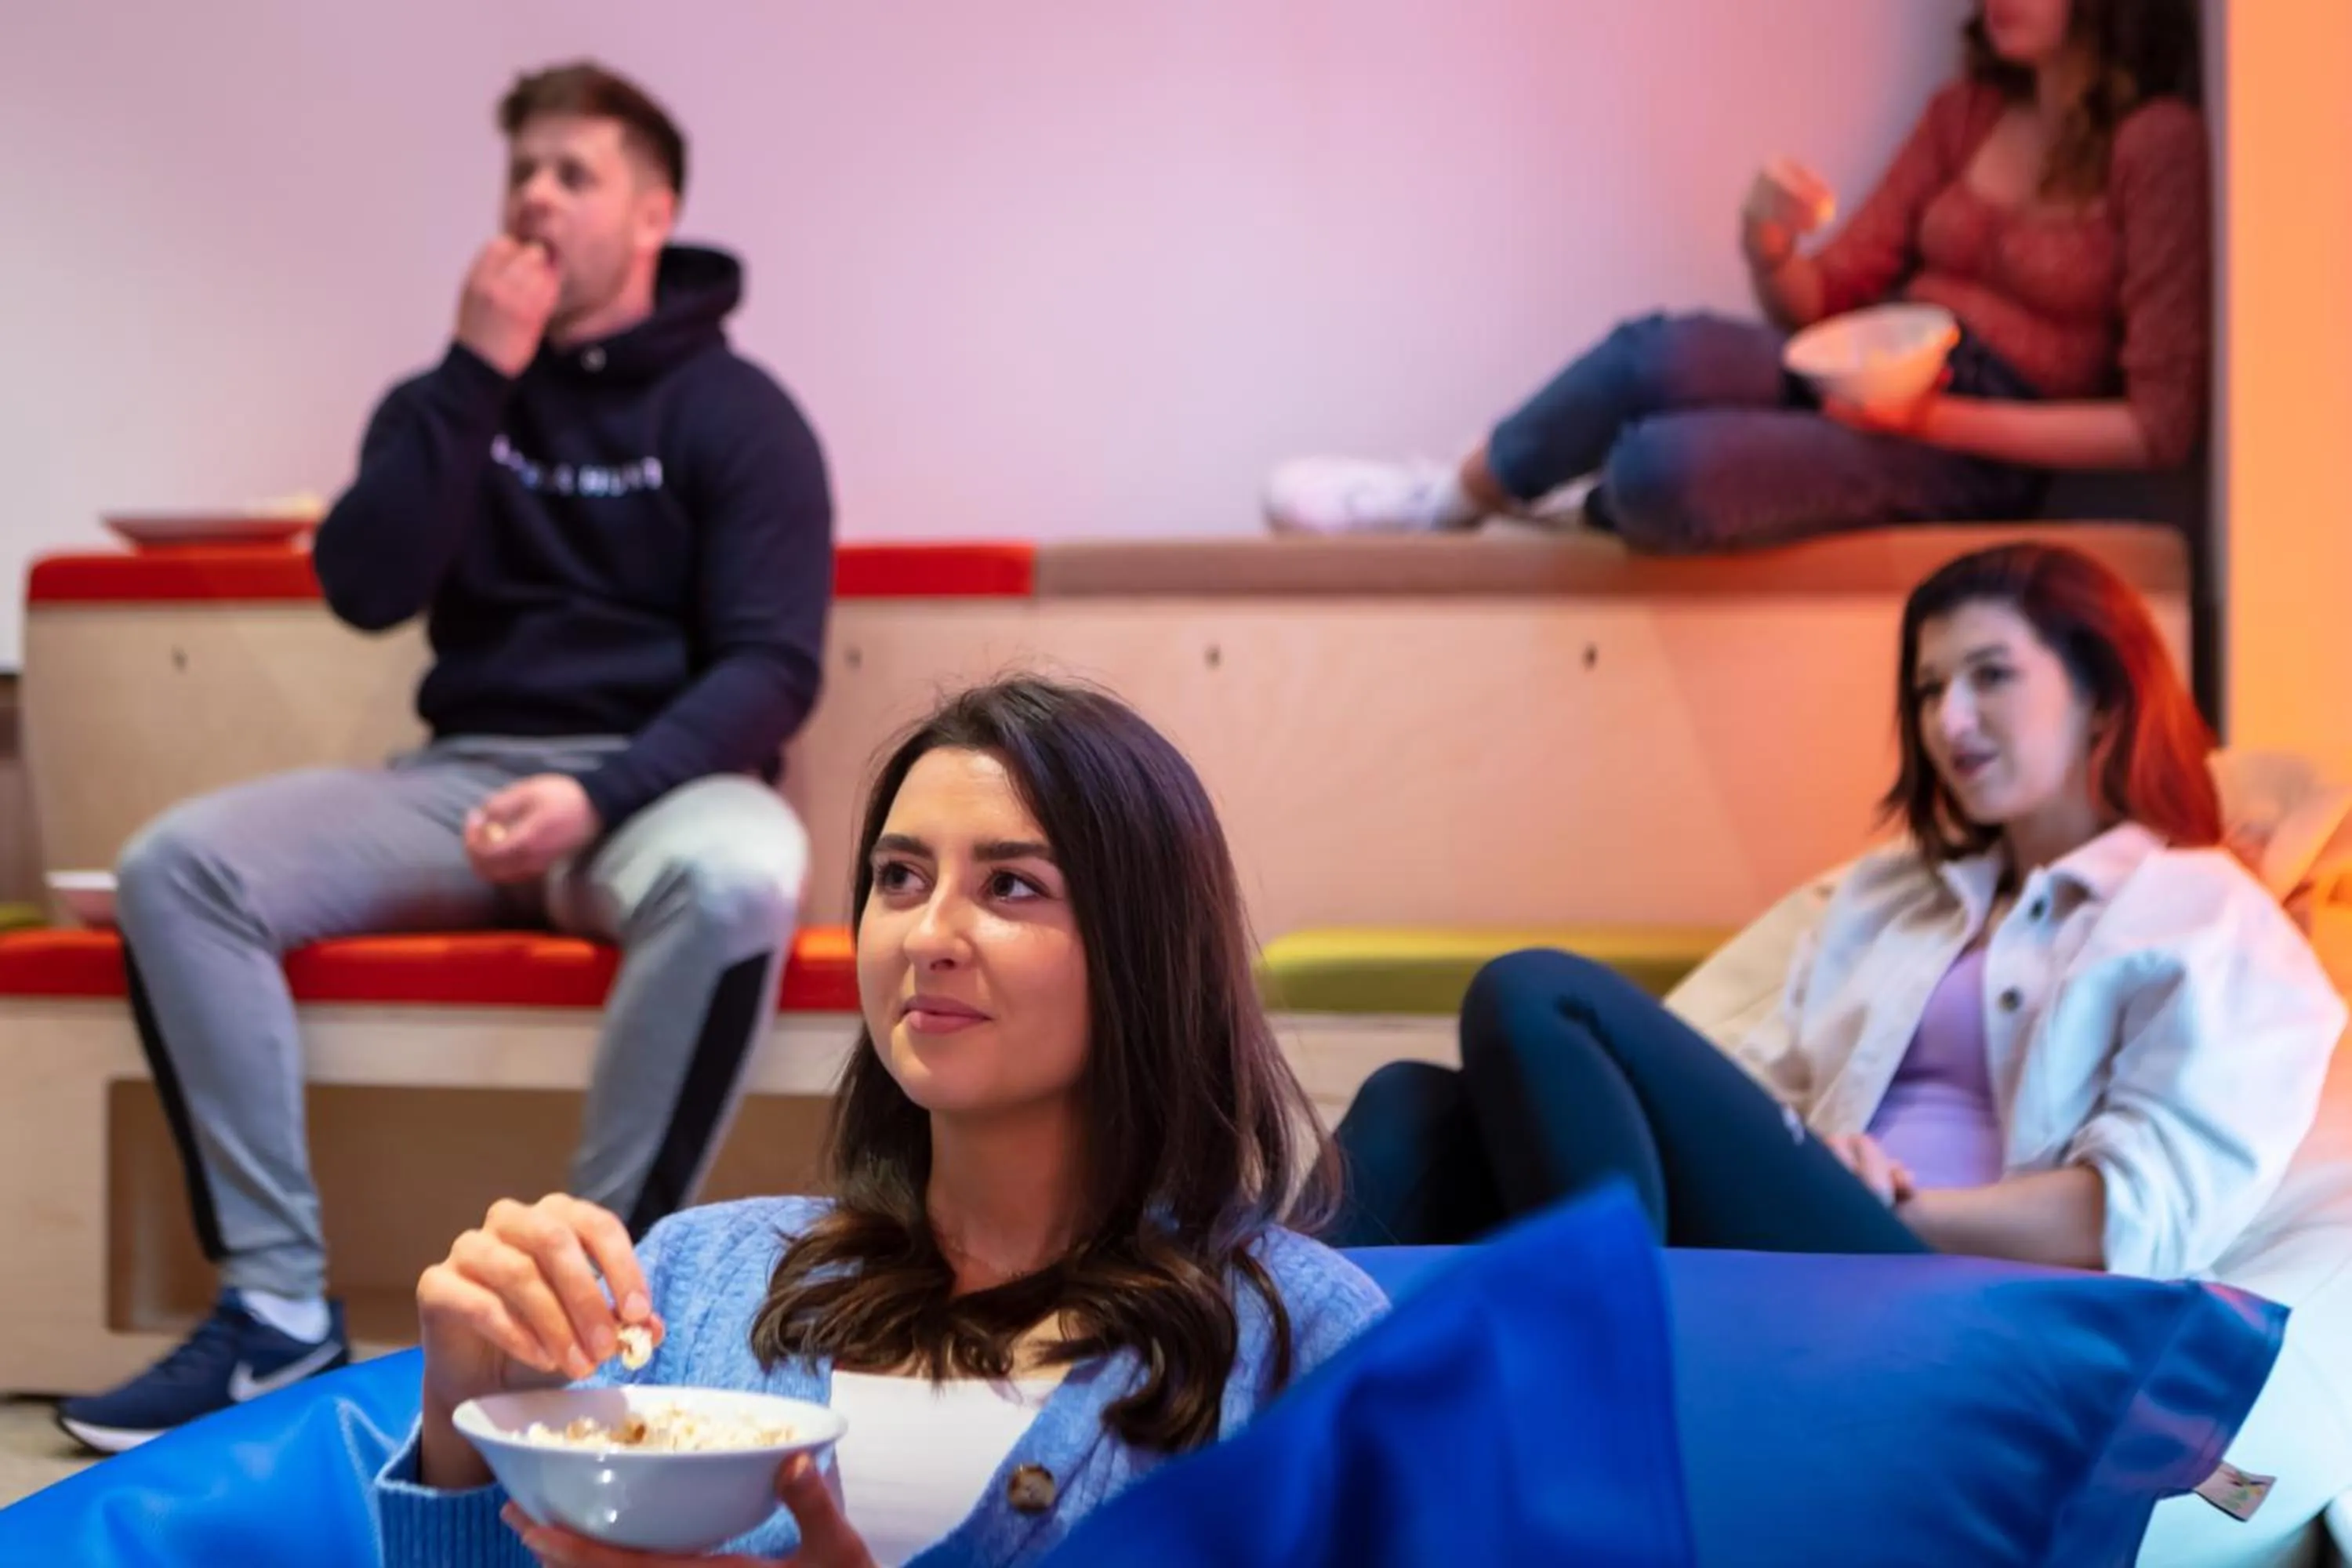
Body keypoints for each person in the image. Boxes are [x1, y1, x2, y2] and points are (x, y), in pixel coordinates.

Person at [57, 61, 833, 1452]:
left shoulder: (738, 414)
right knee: (180, 866)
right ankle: (279, 1317)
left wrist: (594, 797)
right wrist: (480, 368)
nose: (535, 196)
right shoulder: (451, 393)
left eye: (573, 173)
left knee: (741, 876)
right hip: (462, 781)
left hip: (646, 794)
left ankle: (598, 1313)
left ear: (653, 212)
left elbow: (772, 668)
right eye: (520, 171)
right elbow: (365, 582)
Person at [365, 677, 1386, 1566]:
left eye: (1011, 885)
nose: (929, 933)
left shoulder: (1307, 1347)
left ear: (1146, 952)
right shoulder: (694, 1278)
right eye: (899, 877)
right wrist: (467, 1416)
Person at [1332, 543, 2345, 1280]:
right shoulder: (1883, 898)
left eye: (1991, 676)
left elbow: (2133, 1218)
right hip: (1806, 1233)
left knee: (1536, 993)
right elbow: (1738, 1093)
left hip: (1937, 1278)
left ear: (2104, 698)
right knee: (1412, 1106)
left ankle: (1613, 1385)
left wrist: (1904, 1204)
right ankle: (1223, 1410)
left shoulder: (2209, 912)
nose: (1949, 721)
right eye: (1930, 688)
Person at [1266, 0, 2209, 554]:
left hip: (1978, 444)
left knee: (1663, 465)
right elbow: (1825, 298)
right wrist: (1768, 244)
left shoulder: (2156, 145)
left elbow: (2159, 428)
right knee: (1656, 354)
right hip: (1869, 365)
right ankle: (1449, 498)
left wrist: (1934, 419)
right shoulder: (1965, 114)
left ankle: (1557, 510)